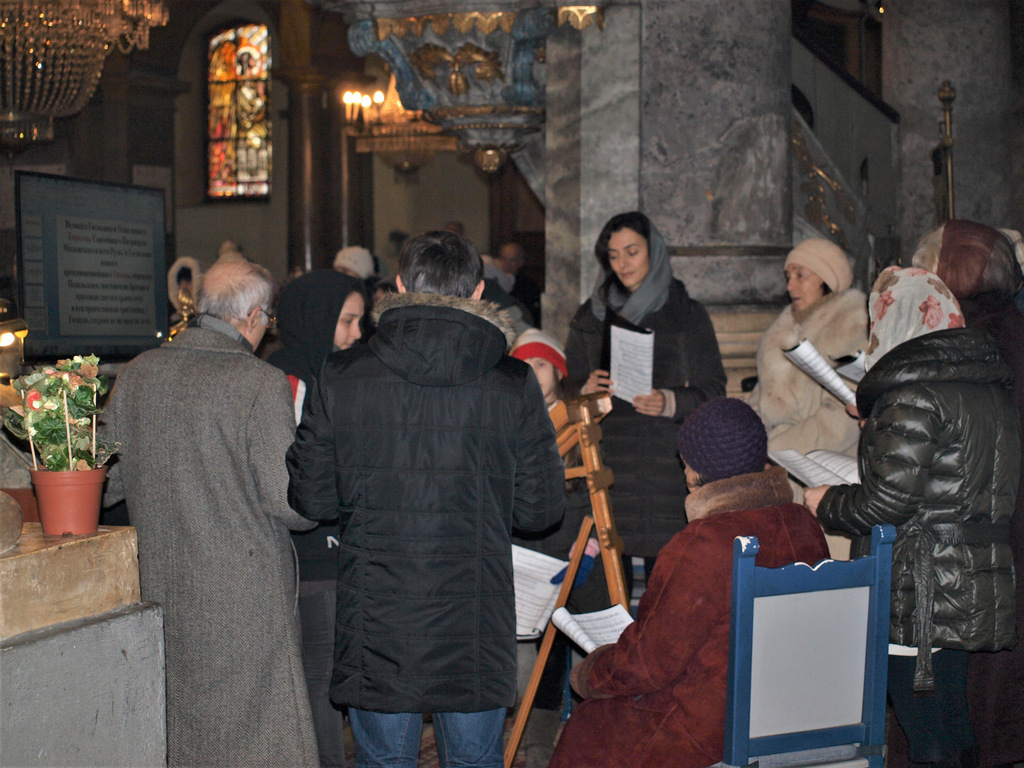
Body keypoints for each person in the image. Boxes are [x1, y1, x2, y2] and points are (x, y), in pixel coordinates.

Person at [286, 230, 566, 768]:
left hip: (378, 620)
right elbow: (540, 511)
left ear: (397, 286)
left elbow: (312, 499)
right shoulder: (512, 382)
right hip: (475, 618)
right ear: (479, 291)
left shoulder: (341, 375)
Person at [101, 259, 318, 767]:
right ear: (254, 316)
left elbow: (105, 485)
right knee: (259, 742)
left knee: (180, 735)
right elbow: (290, 504)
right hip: (244, 603)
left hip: (158, 589)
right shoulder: (259, 383)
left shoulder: (137, 374)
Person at [803, 266, 1019, 768]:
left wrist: (826, 501)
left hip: (918, 584)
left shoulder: (912, 396)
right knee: (954, 723)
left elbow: (887, 504)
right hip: (968, 576)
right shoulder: (986, 386)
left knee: (926, 735)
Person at [548, 397, 829, 767]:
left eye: (685, 462)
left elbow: (649, 664)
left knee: (589, 726)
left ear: (696, 469)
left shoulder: (703, 543)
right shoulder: (803, 523)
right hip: (796, 711)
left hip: (714, 729)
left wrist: (591, 672)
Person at [911, 221, 1024, 768]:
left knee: (975, 681)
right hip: (1005, 516)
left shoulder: (969, 344)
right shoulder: (1009, 329)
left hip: (981, 525)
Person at [565, 211, 727, 574]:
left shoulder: (686, 313)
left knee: (668, 578)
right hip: (608, 460)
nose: (622, 264)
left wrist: (670, 401)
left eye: (632, 252)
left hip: (666, 464)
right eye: (613, 255)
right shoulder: (590, 316)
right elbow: (567, 388)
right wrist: (585, 388)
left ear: (653, 251)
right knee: (610, 578)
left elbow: (714, 389)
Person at [266, 270, 366, 768]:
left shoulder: (327, 371)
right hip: (311, 550)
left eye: (360, 321)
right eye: (347, 321)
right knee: (322, 670)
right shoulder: (290, 377)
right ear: (317, 318)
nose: (356, 334)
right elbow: (290, 470)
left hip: (333, 544)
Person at [508, 329, 610, 768]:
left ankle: (598, 735)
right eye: (523, 365)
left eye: (541, 364)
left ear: (558, 370)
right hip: (532, 553)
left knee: (595, 649)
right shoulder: (508, 419)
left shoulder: (579, 421)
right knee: (540, 660)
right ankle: (537, 746)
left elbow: (597, 490)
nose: (533, 372)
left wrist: (588, 547)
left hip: (578, 548)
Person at [746, 238, 866, 458]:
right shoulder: (782, 331)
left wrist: (772, 453)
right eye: (788, 277)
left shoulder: (851, 329)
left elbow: (839, 424)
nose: (790, 286)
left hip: (825, 466)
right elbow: (760, 399)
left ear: (827, 280)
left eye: (800, 275)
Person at [498, 242, 542, 326]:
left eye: (512, 260)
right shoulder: (493, 283)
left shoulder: (529, 286)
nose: (507, 265)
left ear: (521, 262)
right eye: (504, 259)